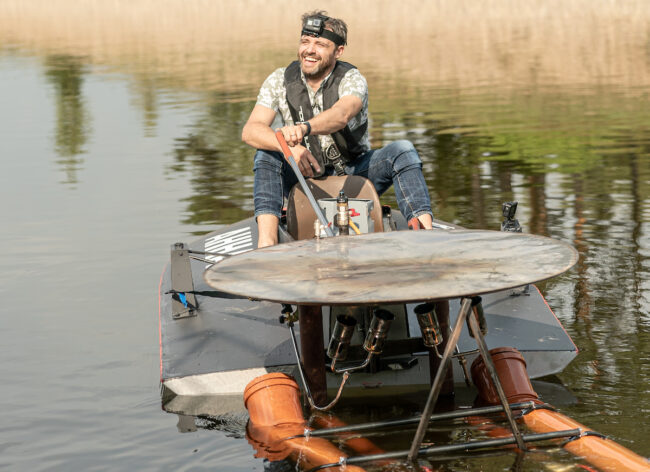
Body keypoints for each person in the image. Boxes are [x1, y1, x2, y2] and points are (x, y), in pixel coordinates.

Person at [242, 10, 434, 247]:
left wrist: (304, 129)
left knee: (403, 150)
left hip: (354, 173)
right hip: (303, 175)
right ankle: (266, 245)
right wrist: (288, 150)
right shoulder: (279, 79)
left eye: (320, 44)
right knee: (266, 153)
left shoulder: (352, 79)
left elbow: (342, 114)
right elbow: (251, 130)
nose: (309, 50)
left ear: (338, 51)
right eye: (305, 42)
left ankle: (426, 237)